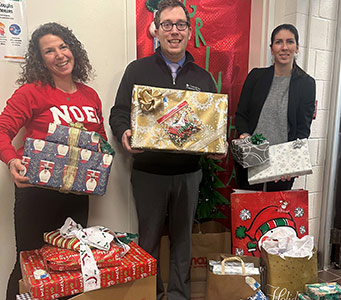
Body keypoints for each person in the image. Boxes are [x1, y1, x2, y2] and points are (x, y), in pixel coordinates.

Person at [109, 0, 223, 299]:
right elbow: (119, 112)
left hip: (189, 174)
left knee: (183, 241)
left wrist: (216, 144)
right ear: (156, 31)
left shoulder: (203, 78)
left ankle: (178, 296)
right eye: (167, 25)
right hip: (149, 173)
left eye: (181, 25)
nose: (174, 31)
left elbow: (213, 124)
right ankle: (150, 295)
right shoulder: (138, 70)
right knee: (148, 241)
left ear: (189, 31)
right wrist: (124, 135)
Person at [0, 22, 107, 300]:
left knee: (69, 266)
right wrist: (12, 161)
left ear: (73, 50)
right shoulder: (31, 92)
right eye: (49, 51)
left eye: (63, 46)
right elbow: (2, 130)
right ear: (40, 59)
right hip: (36, 194)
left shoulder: (90, 96)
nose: (59, 55)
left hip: (76, 196)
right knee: (30, 265)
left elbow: (100, 142)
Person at [235, 23, 315, 191]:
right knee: (249, 213)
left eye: (290, 42)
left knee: (275, 214)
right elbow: (241, 114)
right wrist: (245, 137)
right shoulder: (256, 77)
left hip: (282, 164)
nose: (284, 47)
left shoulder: (306, 84)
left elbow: (302, 130)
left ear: (297, 47)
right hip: (251, 158)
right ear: (272, 48)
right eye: (278, 42)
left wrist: (292, 162)